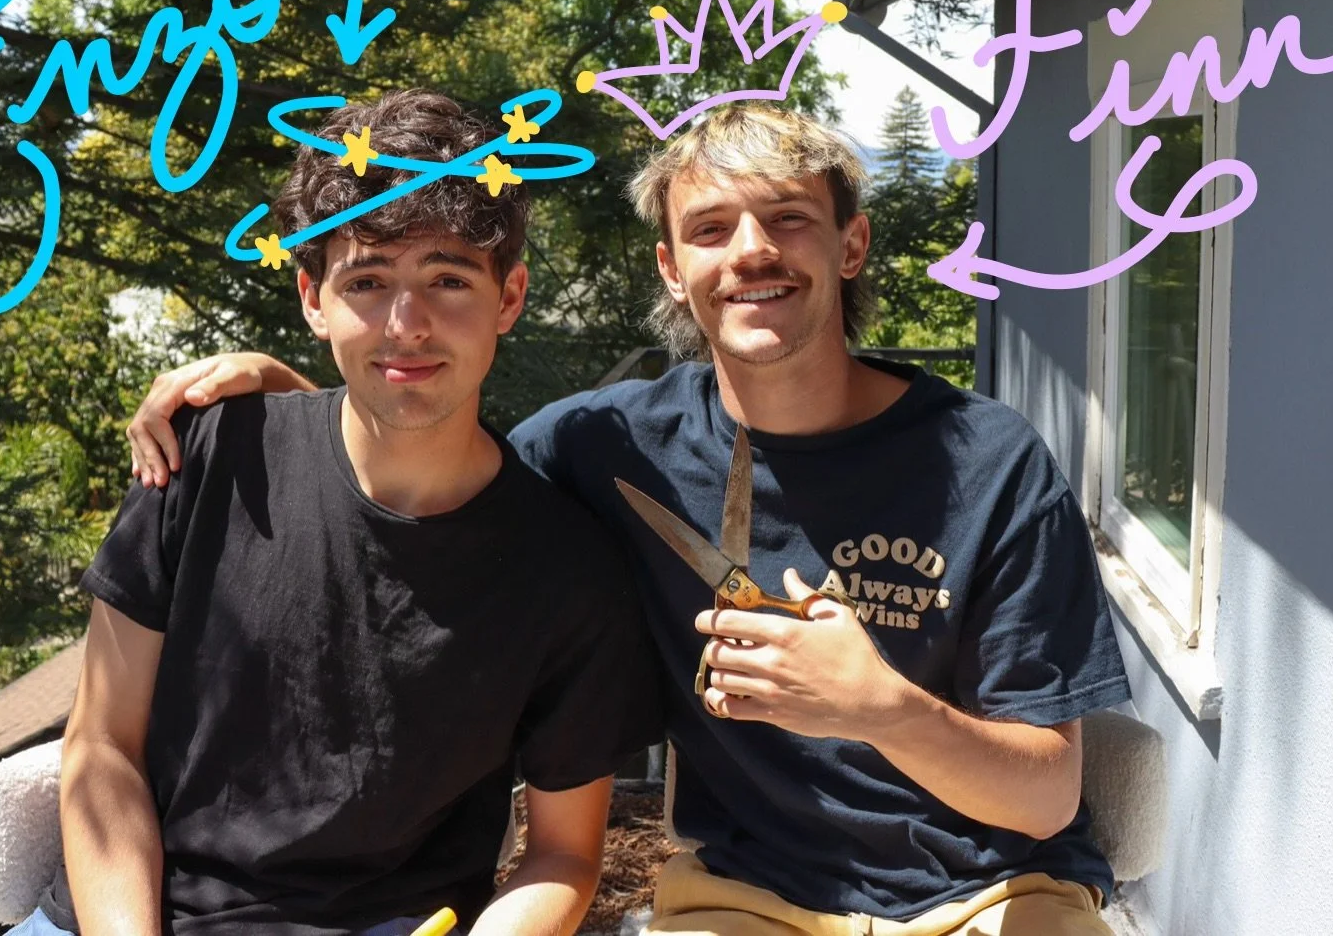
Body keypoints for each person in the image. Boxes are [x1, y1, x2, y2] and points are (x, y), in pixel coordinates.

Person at [127, 104, 1132, 936]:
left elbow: (1044, 797)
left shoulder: (988, 460)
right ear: (670, 267)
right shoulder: (602, 444)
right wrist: (283, 403)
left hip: (1000, 891)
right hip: (747, 898)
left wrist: (877, 706)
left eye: (785, 218)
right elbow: (422, 468)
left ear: (850, 242)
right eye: (710, 229)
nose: (750, 254)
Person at [29, 90, 660, 936]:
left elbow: (563, 853)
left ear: (508, 298)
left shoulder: (569, 570)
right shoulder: (208, 457)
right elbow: (102, 746)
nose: (408, 324)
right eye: (367, 280)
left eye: (448, 278)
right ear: (311, 297)